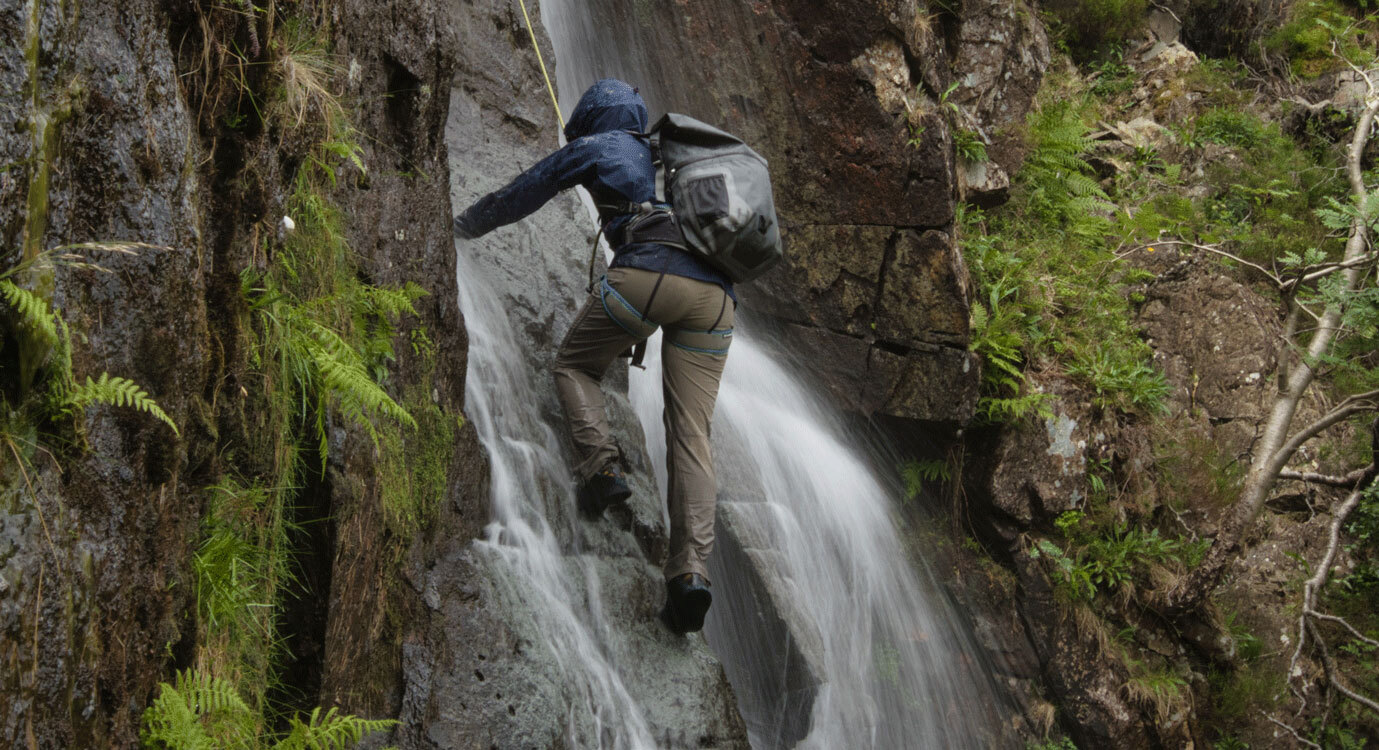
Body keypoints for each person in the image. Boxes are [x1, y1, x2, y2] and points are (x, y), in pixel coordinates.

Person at [453, 79, 734, 635]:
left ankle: (600, 468)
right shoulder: (679, 160)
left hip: (650, 273)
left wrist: (462, 226)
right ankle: (690, 576)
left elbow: (522, 193)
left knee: (575, 366)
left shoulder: (601, 146)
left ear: (593, 119)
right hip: (718, 300)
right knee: (692, 435)